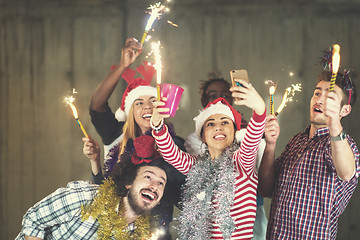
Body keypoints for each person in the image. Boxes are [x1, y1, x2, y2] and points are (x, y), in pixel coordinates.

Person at [88, 37, 186, 237]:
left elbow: (182, 196)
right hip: (113, 228)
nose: (147, 106)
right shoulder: (117, 135)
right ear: (130, 111)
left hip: (154, 232)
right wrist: (123, 65)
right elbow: (96, 106)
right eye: (139, 103)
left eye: (152, 100)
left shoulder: (174, 145)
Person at [151, 78, 266, 239]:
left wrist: (260, 110)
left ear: (234, 133)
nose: (218, 126)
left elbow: (252, 139)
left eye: (225, 122)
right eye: (210, 124)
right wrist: (157, 124)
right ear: (203, 137)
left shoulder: (242, 161)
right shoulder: (196, 165)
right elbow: (171, 153)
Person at [258, 70, 360, 239]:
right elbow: (265, 189)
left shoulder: (343, 144)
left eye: (330, 97)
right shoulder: (297, 141)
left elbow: (347, 173)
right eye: (317, 93)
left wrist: (333, 123)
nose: (320, 100)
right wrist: (270, 145)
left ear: (344, 110)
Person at [16, 135, 170, 240]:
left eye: (161, 183)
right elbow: (33, 220)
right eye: (148, 177)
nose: (153, 186)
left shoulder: (143, 234)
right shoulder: (84, 197)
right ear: (128, 183)